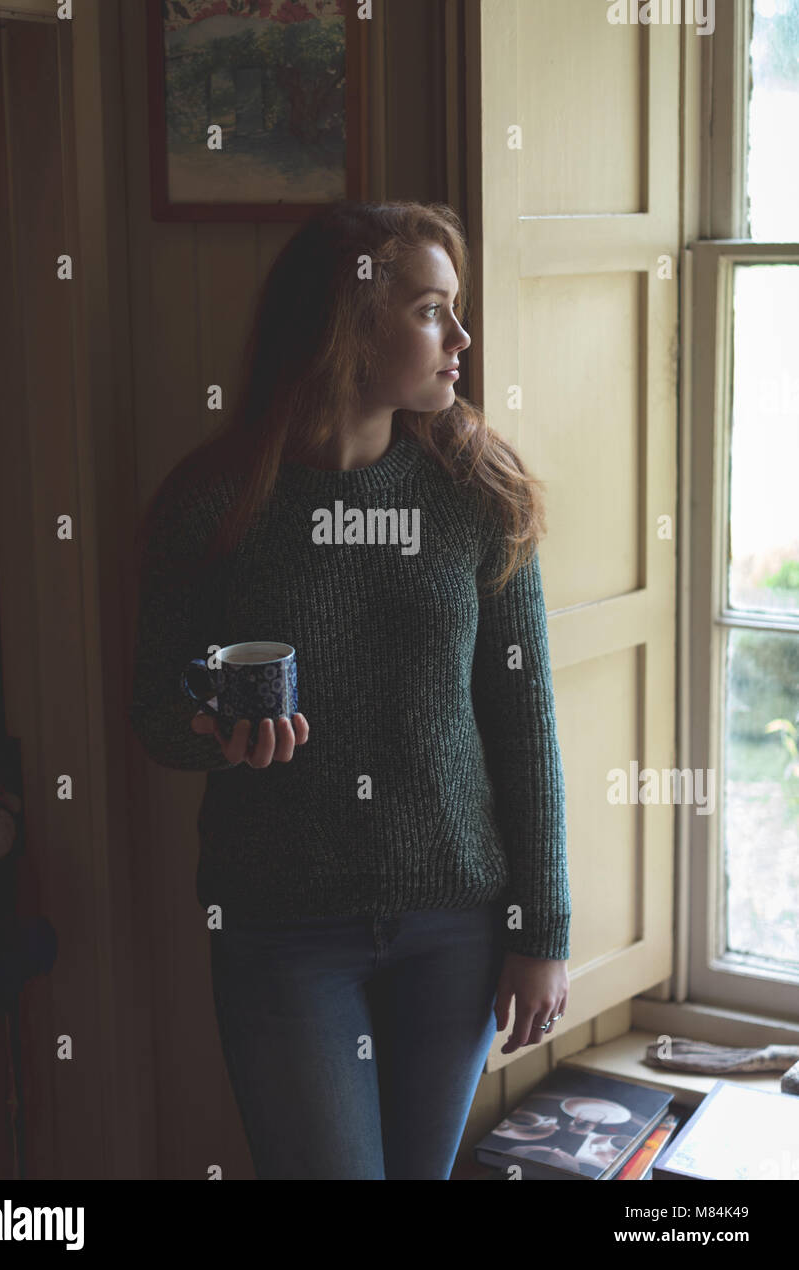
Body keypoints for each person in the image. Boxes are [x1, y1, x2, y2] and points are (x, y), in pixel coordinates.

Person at [128, 199, 571, 1180]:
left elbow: (522, 721)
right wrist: (214, 733)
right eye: (429, 311)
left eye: (452, 311)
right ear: (349, 323)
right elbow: (156, 709)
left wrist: (540, 931)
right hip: (282, 931)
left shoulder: (476, 493)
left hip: (454, 924)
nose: (460, 338)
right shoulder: (214, 500)